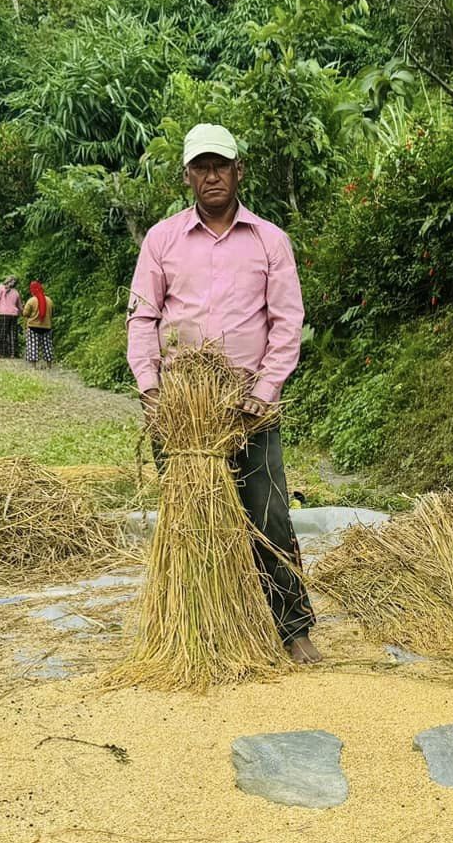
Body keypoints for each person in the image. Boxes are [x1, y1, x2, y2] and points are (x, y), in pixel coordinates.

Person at [127, 124, 320, 664]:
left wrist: (264, 389)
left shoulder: (269, 240)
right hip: (183, 408)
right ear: (188, 175)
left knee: (269, 513)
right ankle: (194, 624)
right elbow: (143, 317)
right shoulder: (161, 239)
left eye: (221, 166)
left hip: (247, 405)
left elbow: (287, 323)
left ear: (239, 171)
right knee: (189, 515)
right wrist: (151, 387)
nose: (211, 176)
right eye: (201, 167)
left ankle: (292, 625)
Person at [23, 279, 54, 367]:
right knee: (47, 345)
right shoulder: (49, 300)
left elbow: (25, 314)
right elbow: (52, 313)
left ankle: (34, 365)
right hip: (47, 326)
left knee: (33, 345)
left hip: (33, 326)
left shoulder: (31, 300)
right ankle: (49, 365)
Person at [0, 276, 23, 358]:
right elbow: (20, 306)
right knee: (13, 334)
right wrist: (22, 313)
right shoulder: (16, 292)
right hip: (14, 315)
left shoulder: (1, 287)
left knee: (1, 333)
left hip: (3, 314)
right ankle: (13, 353)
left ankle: (0, 352)